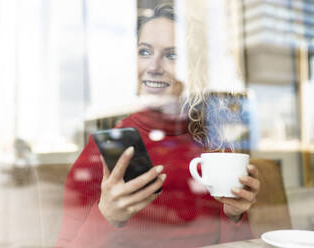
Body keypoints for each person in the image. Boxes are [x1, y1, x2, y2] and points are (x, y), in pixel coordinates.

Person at [56, 4, 260, 248]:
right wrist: (107, 216)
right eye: (144, 52)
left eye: (172, 55)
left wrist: (234, 215)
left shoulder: (216, 147)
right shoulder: (105, 148)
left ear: (193, 68)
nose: (153, 66)